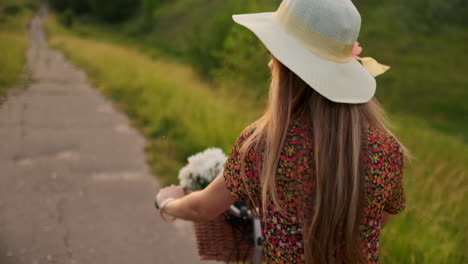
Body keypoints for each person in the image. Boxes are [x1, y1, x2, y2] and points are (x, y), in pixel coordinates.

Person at [155, 0, 407, 263]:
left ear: (288, 69)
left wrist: (167, 202)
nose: (269, 65)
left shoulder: (265, 144)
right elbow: (378, 220)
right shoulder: (388, 151)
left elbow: (203, 208)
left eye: (273, 55)